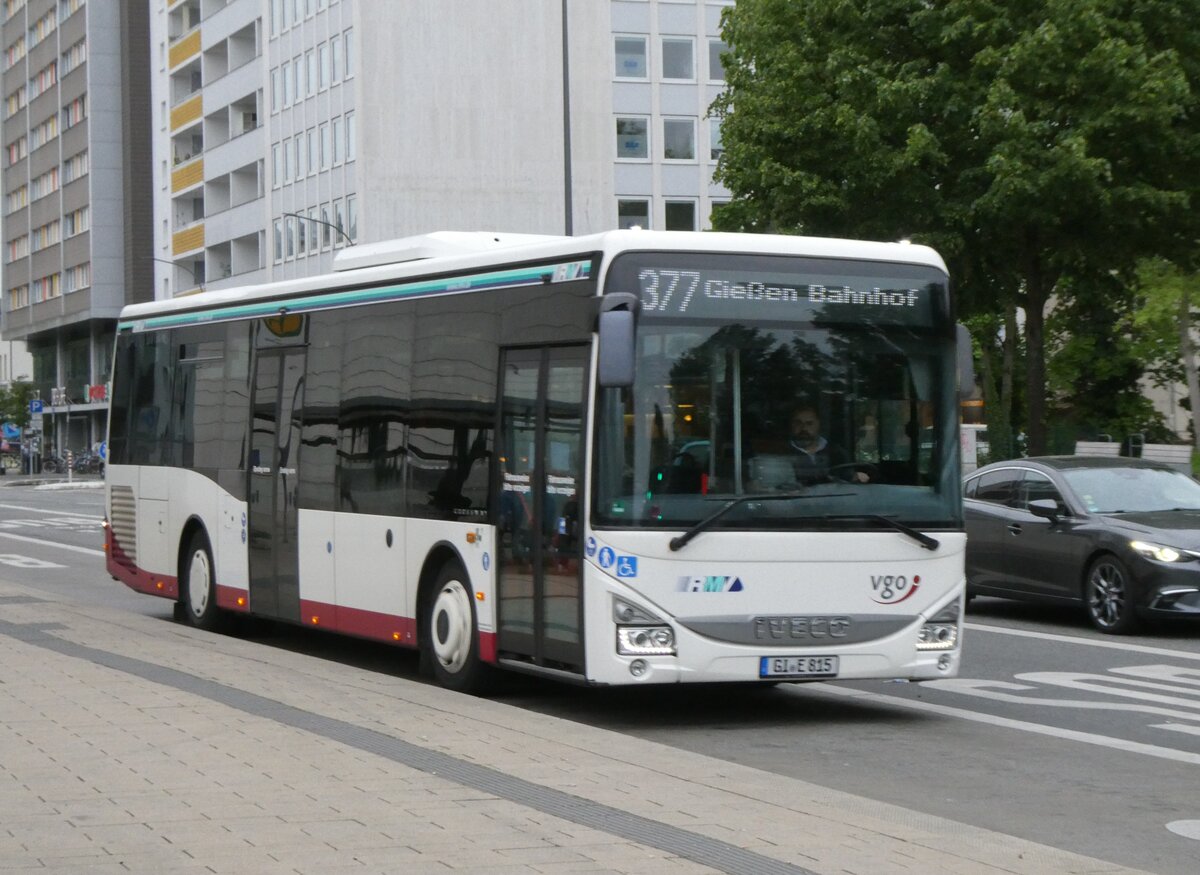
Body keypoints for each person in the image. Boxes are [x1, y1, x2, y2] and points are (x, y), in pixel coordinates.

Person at [787, 405, 868, 483]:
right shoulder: (784, 453)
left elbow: (849, 480)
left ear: (818, 424)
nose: (804, 428)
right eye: (798, 423)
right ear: (792, 425)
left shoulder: (837, 452)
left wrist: (857, 478)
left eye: (809, 423)